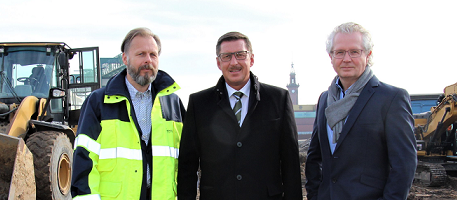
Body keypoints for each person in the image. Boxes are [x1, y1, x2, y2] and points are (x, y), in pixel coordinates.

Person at [178, 31, 302, 200]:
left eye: (240, 55)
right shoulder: (199, 103)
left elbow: (291, 163)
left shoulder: (278, 99)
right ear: (218, 62)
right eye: (227, 56)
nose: (234, 62)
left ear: (251, 59)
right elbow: (187, 165)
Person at [304, 22, 417, 200]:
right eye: (339, 52)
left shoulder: (391, 98)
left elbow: (404, 164)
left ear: (368, 55)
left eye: (354, 51)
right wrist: (315, 195)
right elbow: (314, 157)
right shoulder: (325, 99)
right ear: (331, 57)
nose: (346, 59)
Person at [71, 27, 185, 200]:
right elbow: (85, 159)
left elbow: (184, 160)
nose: (148, 60)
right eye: (141, 54)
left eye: (153, 55)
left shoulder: (172, 103)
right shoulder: (99, 102)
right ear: (125, 58)